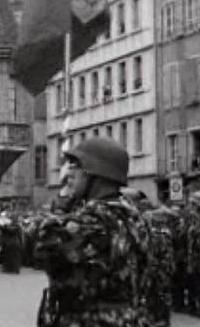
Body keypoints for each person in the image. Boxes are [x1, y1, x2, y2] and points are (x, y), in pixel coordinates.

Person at [35, 138, 151, 327]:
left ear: (95, 172)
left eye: (76, 165)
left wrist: (64, 205)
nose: (69, 173)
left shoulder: (97, 220)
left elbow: (43, 245)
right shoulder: (135, 218)